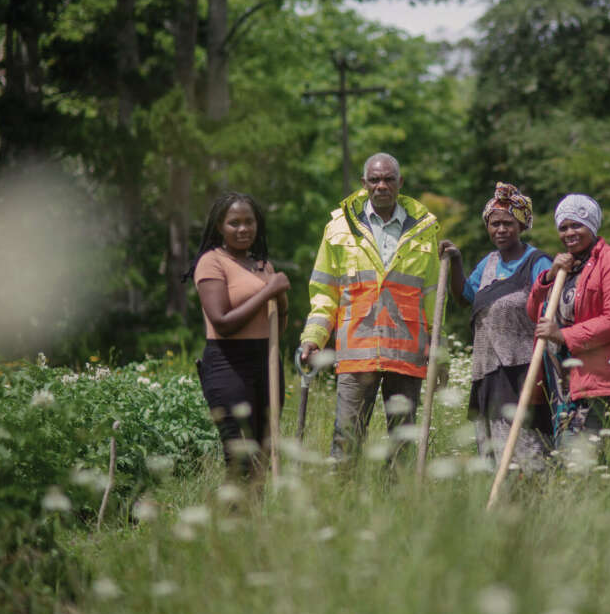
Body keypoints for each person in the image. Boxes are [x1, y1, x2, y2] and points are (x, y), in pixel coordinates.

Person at [299, 153, 441, 461]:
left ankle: (403, 505)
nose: (381, 186)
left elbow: (432, 294)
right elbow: (324, 293)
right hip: (357, 353)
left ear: (400, 183)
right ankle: (344, 502)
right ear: (364, 184)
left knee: (402, 444)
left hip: (406, 352)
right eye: (375, 180)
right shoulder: (339, 229)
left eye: (389, 179)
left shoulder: (424, 229)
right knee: (347, 440)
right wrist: (313, 338)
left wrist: (434, 340)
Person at [439, 182, 553, 468]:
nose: (501, 230)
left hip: (522, 371)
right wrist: (456, 261)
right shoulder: (488, 263)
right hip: (486, 372)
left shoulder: (537, 263)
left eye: (508, 223)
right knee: (489, 450)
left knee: (524, 451)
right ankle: (500, 506)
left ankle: (530, 502)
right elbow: (466, 297)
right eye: (494, 224)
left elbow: (551, 310)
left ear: (522, 225)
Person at [185, 192, 290, 480]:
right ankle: (232, 522)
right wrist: (268, 291)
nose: (243, 229)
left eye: (249, 222)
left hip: (266, 362)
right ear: (220, 226)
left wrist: (280, 300)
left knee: (262, 459)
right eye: (234, 223)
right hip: (228, 365)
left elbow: (276, 331)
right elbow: (222, 323)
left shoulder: (262, 265)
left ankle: (255, 524)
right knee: (241, 458)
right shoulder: (211, 262)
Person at [528, 194, 610, 446]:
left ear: (591, 226)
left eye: (577, 225)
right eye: (563, 227)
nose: (569, 233)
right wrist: (549, 276)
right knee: (571, 467)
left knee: (589, 467)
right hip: (563, 387)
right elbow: (533, 311)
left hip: (601, 384)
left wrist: (564, 335)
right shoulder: (563, 268)